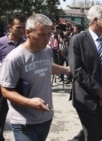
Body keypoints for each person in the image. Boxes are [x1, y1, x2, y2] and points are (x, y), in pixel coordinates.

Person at [0, 13, 70, 141]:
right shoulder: (14, 58)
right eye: (42, 34)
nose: (47, 39)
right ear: (28, 33)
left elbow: (47, 67)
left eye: (49, 34)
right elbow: (5, 90)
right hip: (24, 122)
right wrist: (30, 102)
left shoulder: (47, 50)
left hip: (45, 118)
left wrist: (68, 70)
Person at [68, 5, 102, 141]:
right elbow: (77, 69)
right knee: (93, 134)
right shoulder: (78, 40)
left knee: (94, 132)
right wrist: (99, 91)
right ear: (96, 20)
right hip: (86, 98)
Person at [0, 13, 26, 141]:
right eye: (18, 27)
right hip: (3, 87)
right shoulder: (1, 43)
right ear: (10, 27)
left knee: (22, 118)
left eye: (23, 27)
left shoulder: (26, 44)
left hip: (21, 88)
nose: (22, 31)